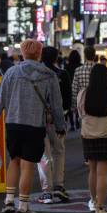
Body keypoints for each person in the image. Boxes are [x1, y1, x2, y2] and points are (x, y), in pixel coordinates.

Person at [0, 39, 66, 213]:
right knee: (28, 165)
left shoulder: (11, 73)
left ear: (22, 53)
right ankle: (23, 207)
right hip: (34, 125)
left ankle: (8, 202)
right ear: (39, 53)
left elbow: (0, 98)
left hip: (13, 124)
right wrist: (60, 126)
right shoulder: (49, 75)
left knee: (14, 161)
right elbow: (56, 105)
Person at [77, 64, 107, 213]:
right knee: (102, 173)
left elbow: (80, 112)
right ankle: (100, 208)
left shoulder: (84, 93)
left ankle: (93, 200)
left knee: (93, 170)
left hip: (89, 135)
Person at [36, 46, 72, 204]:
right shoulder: (62, 74)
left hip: (38, 119)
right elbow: (67, 100)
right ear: (56, 58)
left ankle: (46, 189)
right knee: (59, 151)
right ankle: (59, 185)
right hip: (58, 118)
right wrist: (62, 120)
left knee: (44, 155)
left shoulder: (36, 75)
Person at [71, 46, 98, 122]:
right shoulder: (99, 69)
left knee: (85, 127)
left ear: (85, 56)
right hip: (98, 103)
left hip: (83, 103)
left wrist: (74, 106)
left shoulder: (78, 70)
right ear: (94, 55)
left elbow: (74, 89)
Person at [65, 50, 82, 131]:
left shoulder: (67, 66)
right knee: (79, 104)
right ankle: (78, 121)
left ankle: (72, 124)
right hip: (79, 88)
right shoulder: (81, 66)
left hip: (69, 88)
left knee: (70, 107)